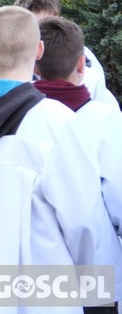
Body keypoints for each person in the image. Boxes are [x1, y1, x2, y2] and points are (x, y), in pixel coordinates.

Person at [0, 6, 113, 312]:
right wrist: (93, 287)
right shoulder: (56, 122)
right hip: (45, 286)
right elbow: (83, 219)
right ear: (39, 51)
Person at [33, 16, 122, 313]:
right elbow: (118, 195)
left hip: (34, 267)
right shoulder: (103, 119)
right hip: (95, 268)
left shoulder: (20, 117)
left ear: (35, 67)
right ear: (82, 65)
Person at [14, 0, 118, 106]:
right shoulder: (12, 68)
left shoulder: (84, 57)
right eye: (37, 27)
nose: (44, 33)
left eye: (50, 23)